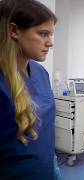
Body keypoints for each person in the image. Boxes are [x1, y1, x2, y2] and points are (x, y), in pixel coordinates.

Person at [0, 0, 59, 179]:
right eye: (43, 34)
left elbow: (45, 129)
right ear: (14, 31)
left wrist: (53, 164)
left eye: (51, 34)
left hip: (46, 171)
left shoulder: (41, 73)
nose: (50, 43)